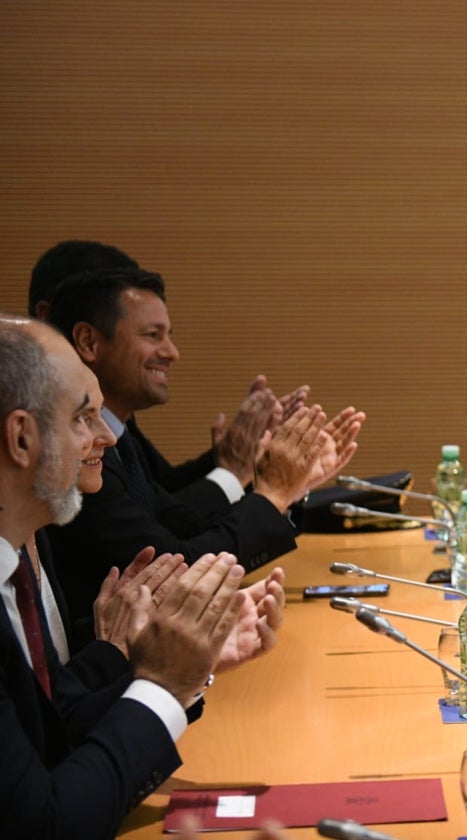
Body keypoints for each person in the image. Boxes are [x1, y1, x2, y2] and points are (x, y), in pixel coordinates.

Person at [0, 316, 275, 838]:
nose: (105, 435)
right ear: (21, 438)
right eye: (83, 418)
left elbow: (54, 724)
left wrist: (188, 664)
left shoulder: (13, 564)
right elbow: (45, 824)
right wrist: (166, 681)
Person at [45, 266, 362, 627]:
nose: (172, 352)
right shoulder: (74, 458)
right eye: (153, 335)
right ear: (88, 342)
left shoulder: (122, 441)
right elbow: (176, 567)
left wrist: (286, 489)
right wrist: (271, 493)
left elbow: (183, 523)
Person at [29, 239, 311, 502]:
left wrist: (238, 453)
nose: (172, 353)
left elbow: (164, 496)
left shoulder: (117, 421)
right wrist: (239, 473)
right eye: (151, 335)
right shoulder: (54, 432)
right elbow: (158, 538)